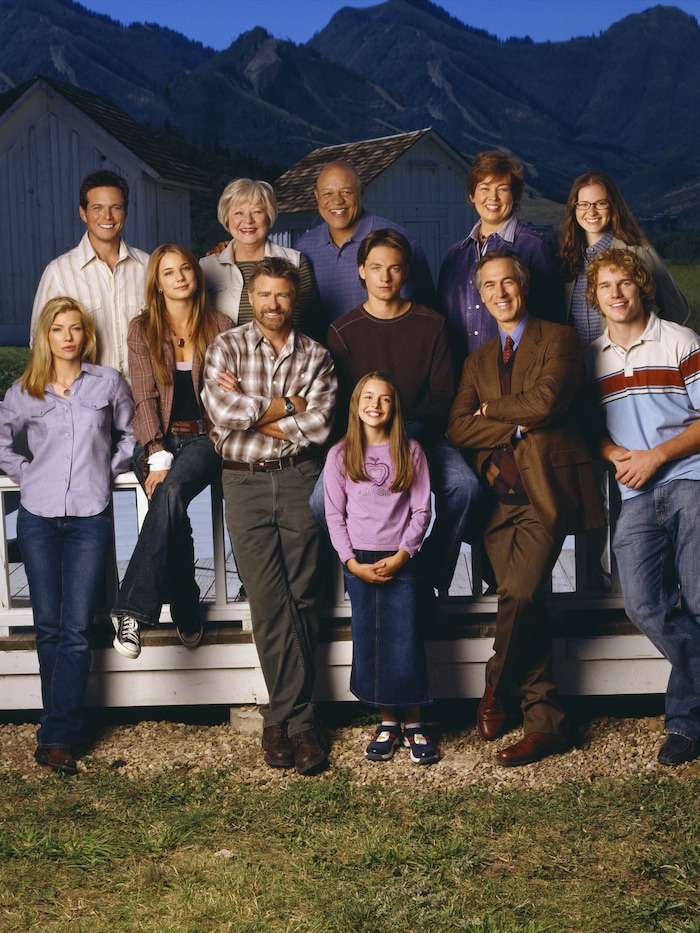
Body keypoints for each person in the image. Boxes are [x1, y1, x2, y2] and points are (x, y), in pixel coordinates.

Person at [448, 250, 603, 766]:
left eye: (507, 282)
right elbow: (458, 426)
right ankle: (547, 719)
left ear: (524, 285)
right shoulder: (476, 359)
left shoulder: (560, 338)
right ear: (481, 295)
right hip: (497, 500)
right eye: (489, 285)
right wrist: (509, 422)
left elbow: (547, 402)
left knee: (518, 591)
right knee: (527, 601)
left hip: (543, 493)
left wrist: (492, 411)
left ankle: (495, 685)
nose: (499, 292)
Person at [201, 256, 337, 775]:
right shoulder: (226, 346)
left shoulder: (317, 355)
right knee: (267, 595)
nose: (273, 304)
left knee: (303, 595)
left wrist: (256, 409)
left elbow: (321, 425)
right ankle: (301, 721)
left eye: (282, 296)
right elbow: (220, 413)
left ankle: (283, 721)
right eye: (264, 296)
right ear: (251, 298)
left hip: (301, 475)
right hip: (244, 480)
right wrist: (285, 406)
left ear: (293, 299)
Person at [0, 297, 134, 775]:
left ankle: (57, 736)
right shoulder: (25, 391)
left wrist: (106, 468)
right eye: (59, 329)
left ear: (86, 336)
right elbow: (2, 440)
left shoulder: (108, 383)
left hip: (88, 517)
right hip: (36, 516)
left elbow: (130, 435)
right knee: (48, 628)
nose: (69, 337)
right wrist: (26, 473)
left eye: (76, 328)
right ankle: (58, 735)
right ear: (46, 337)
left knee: (76, 630)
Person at [585, 247, 700, 765]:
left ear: (641, 287)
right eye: (606, 286)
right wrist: (615, 455)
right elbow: (590, 433)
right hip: (634, 493)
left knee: (698, 601)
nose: (616, 293)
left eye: (625, 284)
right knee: (643, 605)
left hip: (689, 480)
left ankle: (684, 725)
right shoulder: (593, 357)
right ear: (595, 297)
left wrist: (656, 456)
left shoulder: (681, 341)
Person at [323, 228, 482, 594]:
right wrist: (374, 438)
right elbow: (344, 402)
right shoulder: (342, 330)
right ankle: (359, 571)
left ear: (406, 272)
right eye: (376, 267)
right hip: (363, 438)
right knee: (320, 501)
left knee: (465, 487)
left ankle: (422, 572)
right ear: (361, 270)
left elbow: (444, 398)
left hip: (420, 434)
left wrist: (402, 438)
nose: (385, 276)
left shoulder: (433, 324)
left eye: (394, 268)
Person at [110, 244, 232, 660]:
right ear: (157, 284)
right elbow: (142, 398)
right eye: (169, 272)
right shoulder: (141, 329)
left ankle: (130, 611)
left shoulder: (220, 325)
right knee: (172, 515)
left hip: (204, 438)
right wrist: (157, 453)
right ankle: (184, 604)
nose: (180, 277)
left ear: (196, 276)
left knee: (171, 493)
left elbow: (230, 393)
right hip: (156, 438)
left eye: (186, 269)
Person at [324, 372, 439, 764]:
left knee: (405, 636)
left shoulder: (411, 451)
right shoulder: (341, 455)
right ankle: (388, 720)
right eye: (368, 397)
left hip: (400, 558)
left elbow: (422, 509)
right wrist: (352, 563)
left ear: (394, 407)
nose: (375, 405)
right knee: (372, 637)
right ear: (356, 405)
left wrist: (405, 553)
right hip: (360, 558)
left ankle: (415, 722)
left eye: (385, 399)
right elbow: (333, 515)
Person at [438, 150, 564, 366]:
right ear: (472, 195)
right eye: (484, 188)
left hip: (517, 372)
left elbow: (551, 320)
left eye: (502, 189)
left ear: (514, 195)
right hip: (461, 375)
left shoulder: (534, 246)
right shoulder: (455, 255)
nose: (493, 198)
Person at [31, 170, 149, 377]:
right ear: (83, 212)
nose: (107, 216)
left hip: (143, 397)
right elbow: (38, 342)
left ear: (126, 213)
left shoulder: (148, 266)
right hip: (86, 401)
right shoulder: (59, 272)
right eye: (97, 208)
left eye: (116, 207)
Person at [296, 160, 436, 322]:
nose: (337, 201)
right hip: (321, 347)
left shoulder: (400, 243)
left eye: (347, 192)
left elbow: (427, 313)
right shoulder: (304, 247)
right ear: (316, 195)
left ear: (361, 192)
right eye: (327, 193)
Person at [560, 170, 688, 345]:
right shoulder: (567, 257)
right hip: (577, 366)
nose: (591, 211)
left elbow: (677, 309)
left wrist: (647, 346)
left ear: (613, 206)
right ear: (574, 208)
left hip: (622, 366)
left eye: (600, 203)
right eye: (583, 204)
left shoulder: (637, 251)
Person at [200, 177, 324, 340]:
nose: (248, 220)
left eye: (257, 211)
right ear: (227, 219)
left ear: (269, 216)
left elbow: (311, 326)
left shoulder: (295, 262)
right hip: (223, 363)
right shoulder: (206, 267)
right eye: (238, 213)